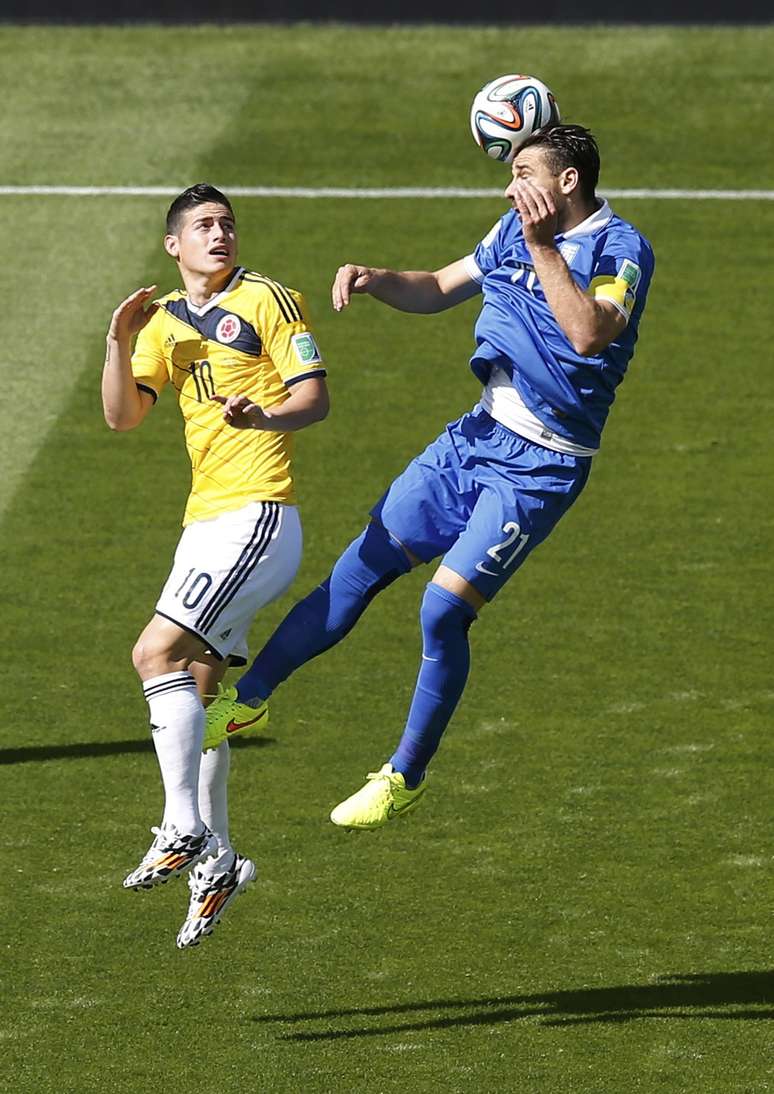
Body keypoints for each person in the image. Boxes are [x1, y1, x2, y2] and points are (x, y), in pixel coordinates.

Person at [203, 125, 655, 830]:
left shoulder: (620, 247)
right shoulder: (513, 227)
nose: (511, 187)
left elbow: (589, 333)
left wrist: (540, 248)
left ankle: (404, 777)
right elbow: (444, 285)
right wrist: (378, 280)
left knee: (443, 611)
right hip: (474, 438)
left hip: (541, 466)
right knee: (361, 565)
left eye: (525, 172)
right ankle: (248, 699)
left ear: (567, 182)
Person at [102, 183, 329, 946]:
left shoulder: (270, 300)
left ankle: (182, 827)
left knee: (153, 652)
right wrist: (116, 340)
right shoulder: (163, 322)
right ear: (174, 245)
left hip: (258, 513)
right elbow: (123, 414)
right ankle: (219, 861)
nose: (219, 234)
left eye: (227, 224)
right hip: (204, 525)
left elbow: (315, 398)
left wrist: (265, 414)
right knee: (196, 686)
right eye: (203, 226)